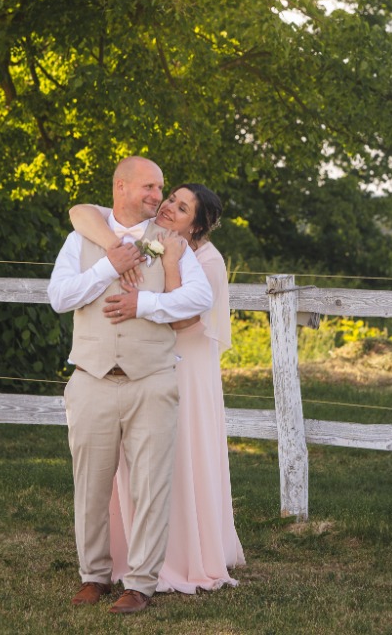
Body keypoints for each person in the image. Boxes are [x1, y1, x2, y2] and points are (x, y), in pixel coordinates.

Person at [48, 157, 213, 615]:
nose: (157, 198)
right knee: (91, 486)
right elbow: (59, 298)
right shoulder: (80, 238)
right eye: (149, 187)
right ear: (120, 187)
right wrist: (108, 266)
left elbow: (200, 299)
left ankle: (140, 583)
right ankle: (94, 575)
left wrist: (144, 303)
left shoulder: (170, 242)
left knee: (150, 485)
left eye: (161, 189)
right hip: (91, 379)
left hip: (152, 381)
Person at [69, 182, 246, 594]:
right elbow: (81, 212)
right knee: (136, 463)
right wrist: (115, 247)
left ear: (197, 228)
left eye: (181, 208)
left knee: (177, 460)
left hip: (186, 367)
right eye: (171, 198)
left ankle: (179, 558)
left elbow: (181, 321)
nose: (167, 207)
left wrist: (166, 270)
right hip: (143, 364)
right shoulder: (147, 233)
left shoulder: (208, 260)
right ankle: (127, 554)